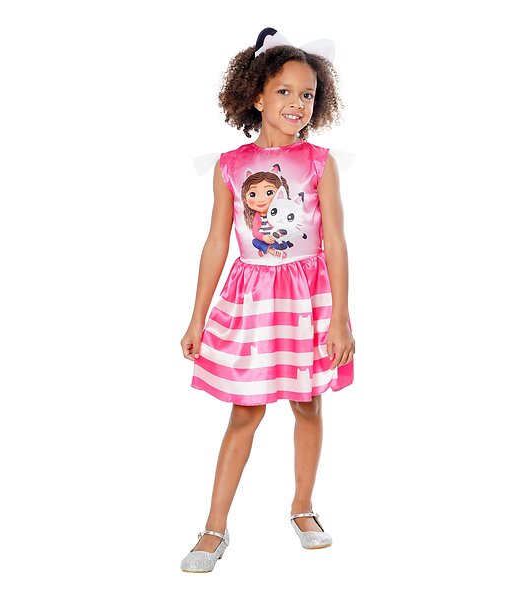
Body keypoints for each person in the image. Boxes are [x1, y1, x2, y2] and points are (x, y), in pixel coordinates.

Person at [179, 27, 355, 573]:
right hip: (253, 298)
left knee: (308, 403)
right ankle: (214, 527)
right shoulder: (229, 166)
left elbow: (334, 241)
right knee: (245, 410)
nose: (297, 103)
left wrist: (341, 318)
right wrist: (196, 317)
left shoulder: (320, 162)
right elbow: (216, 243)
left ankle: (303, 508)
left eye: (307, 94)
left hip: (308, 298)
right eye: (284, 91)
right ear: (256, 95)